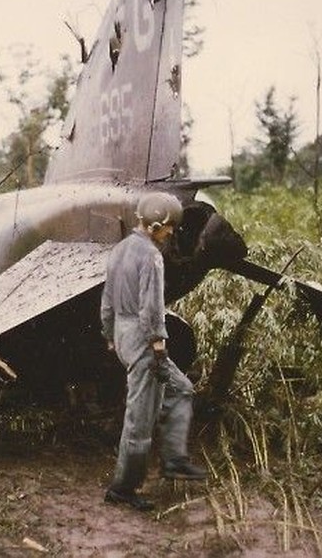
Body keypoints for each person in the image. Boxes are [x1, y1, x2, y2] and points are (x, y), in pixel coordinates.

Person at [101, 191, 207, 511]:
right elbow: (152, 308)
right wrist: (159, 348)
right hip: (144, 339)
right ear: (155, 224)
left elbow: (106, 299)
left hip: (122, 331)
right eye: (169, 226)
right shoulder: (151, 256)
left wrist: (110, 335)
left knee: (182, 389)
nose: (172, 232)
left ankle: (174, 460)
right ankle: (123, 488)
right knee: (140, 418)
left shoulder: (119, 250)